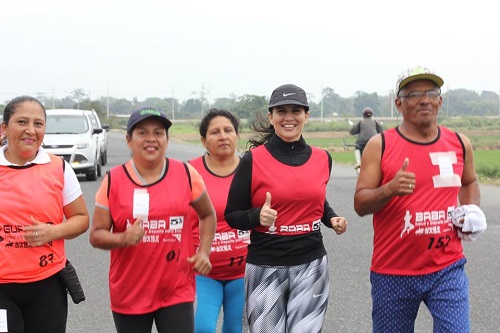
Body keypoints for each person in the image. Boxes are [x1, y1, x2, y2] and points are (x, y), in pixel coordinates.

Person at [353, 66, 487, 333]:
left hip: (447, 267)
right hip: (393, 271)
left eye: (431, 92)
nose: (424, 99)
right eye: (414, 94)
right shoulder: (380, 145)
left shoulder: (460, 143)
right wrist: (388, 190)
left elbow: (469, 181)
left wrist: (471, 210)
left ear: (440, 100)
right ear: (399, 103)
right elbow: (360, 203)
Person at [224, 84, 348, 333]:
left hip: (311, 264)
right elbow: (232, 215)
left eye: (296, 110)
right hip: (265, 267)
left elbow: (313, 199)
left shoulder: (323, 158)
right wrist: (256, 216)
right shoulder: (252, 160)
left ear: (306, 116)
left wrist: (332, 218)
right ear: (271, 117)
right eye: (281, 111)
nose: (289, 117)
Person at [89, 107, 216, 333]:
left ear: (167, 139)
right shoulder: (114, 181)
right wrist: (123, 238)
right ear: (129, 140)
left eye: (158, 133)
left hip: (176, 289)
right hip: (130, 292)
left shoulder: (186, 174)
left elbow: (207, 214)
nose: (151, 139)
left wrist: (204, 251)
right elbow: (96, 235)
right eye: (142, 133)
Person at [0, 96, 90, 333]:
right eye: (22, 122)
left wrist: (53, 231)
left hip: (47, 284)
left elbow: (81, 218)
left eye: (38, 124)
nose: (30, 130)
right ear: (4, 128)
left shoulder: (58, 167)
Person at [188, 109, 249, 333]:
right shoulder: (189, 171)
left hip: (242, 273)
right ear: (204, 140)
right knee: (202, 328)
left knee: (234, 329)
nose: (223, 136)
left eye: (228, 130)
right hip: (203, 273)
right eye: (215, 132)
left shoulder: (252, 170)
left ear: (237, 136)